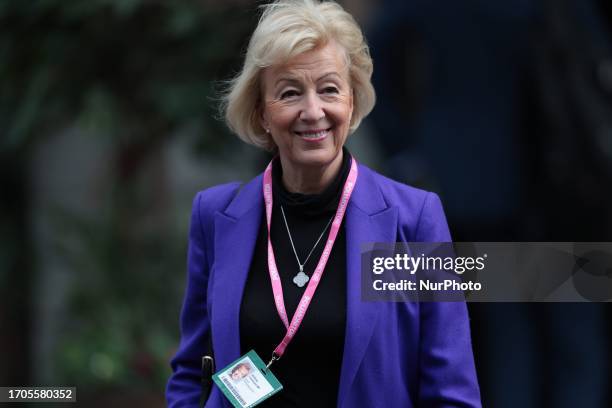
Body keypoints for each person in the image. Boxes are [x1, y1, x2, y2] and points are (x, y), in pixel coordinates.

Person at [166, 1, 481, 407]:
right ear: (262, 111)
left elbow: (450, 388)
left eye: (329, 89)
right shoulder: (216, 216)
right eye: (290, 93)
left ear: (352, 102)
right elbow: (192, 371)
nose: (313, 112)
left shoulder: (412, 220)